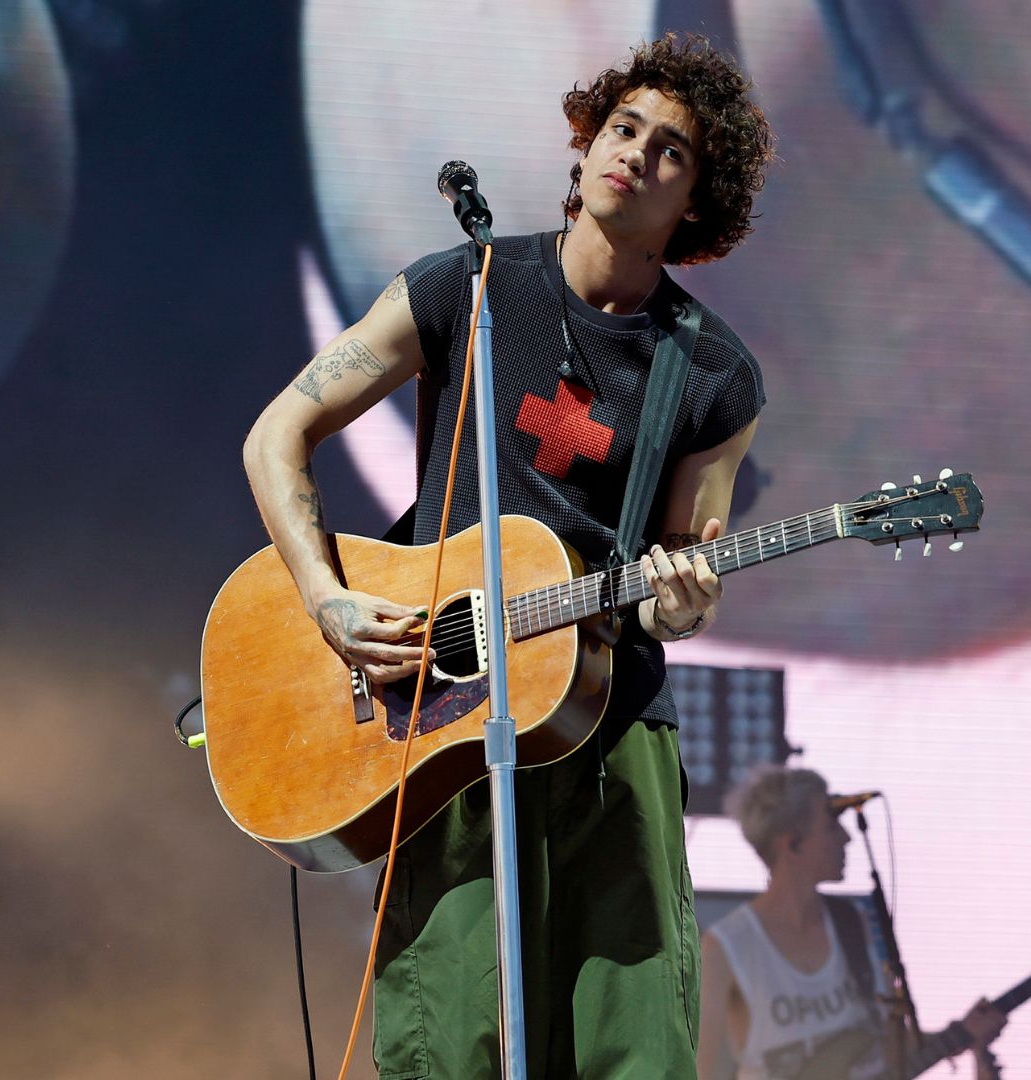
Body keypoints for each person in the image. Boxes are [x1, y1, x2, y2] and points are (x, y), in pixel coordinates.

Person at [242, 32, 774, 1079]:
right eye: (625, 128)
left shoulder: (711, 373)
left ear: (696, 204)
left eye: (673, 151)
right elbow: (276, 435)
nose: (638, 154)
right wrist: (326, 602)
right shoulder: (468, 286)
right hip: (446, 722)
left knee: (633, 1051)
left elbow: (681, 575)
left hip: (607, 728)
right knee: (452, 1041)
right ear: (584, 147)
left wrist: (677, 604)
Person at [698, 766, 1005, 1080]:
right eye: (831, 826)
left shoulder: (851, 923)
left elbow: (886, 1042)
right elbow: (699, 1070)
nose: (846, 837)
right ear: (792, 844)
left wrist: (963, 1033)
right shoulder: (726, 947)